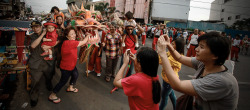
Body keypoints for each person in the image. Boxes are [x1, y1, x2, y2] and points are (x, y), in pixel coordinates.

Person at [157, 32, 239, 110]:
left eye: (201, 47)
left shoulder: (220, 81)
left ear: (215, 55)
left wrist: (162, 53)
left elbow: (177, 85)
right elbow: (180, 58)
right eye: (198, 45)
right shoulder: (204, 63)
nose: (196, 49)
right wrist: (168, 44)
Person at [48, 27, 89, 103]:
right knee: (62, 82)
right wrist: (87, 35)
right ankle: (53, 95)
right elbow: (83, 42)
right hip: (67, 68)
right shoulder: (69, 43)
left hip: (71, 66)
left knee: (75, 74)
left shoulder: (70, 42)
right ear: (67, 36)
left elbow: (80, 44)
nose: (74, 35)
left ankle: (70, 87)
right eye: (71, 34)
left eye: (74, 33)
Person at [25, 21, 56, 107]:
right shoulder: (31, 36)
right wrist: (42, 35)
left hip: (48, 61)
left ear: (41, 27)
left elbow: (57, 39)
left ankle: (48, 83)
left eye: (37, 26)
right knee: (35, 82)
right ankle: (34, 98)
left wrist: (51, 46)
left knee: (49, 76)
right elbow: (33, 46)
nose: (35, 28)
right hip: (36, 62)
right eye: (33, 27)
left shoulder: (50, 32)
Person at [159, 38, 185, 110]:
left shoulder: (175, 57)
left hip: (169, 81)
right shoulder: (171, 53)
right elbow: (162, 58)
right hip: (167, 79)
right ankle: (176, 107)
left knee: (164, 98)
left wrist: (161, 50)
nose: (170, 45)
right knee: (171, 95)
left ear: (178, 47)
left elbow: (161, 61)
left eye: (173, 44)